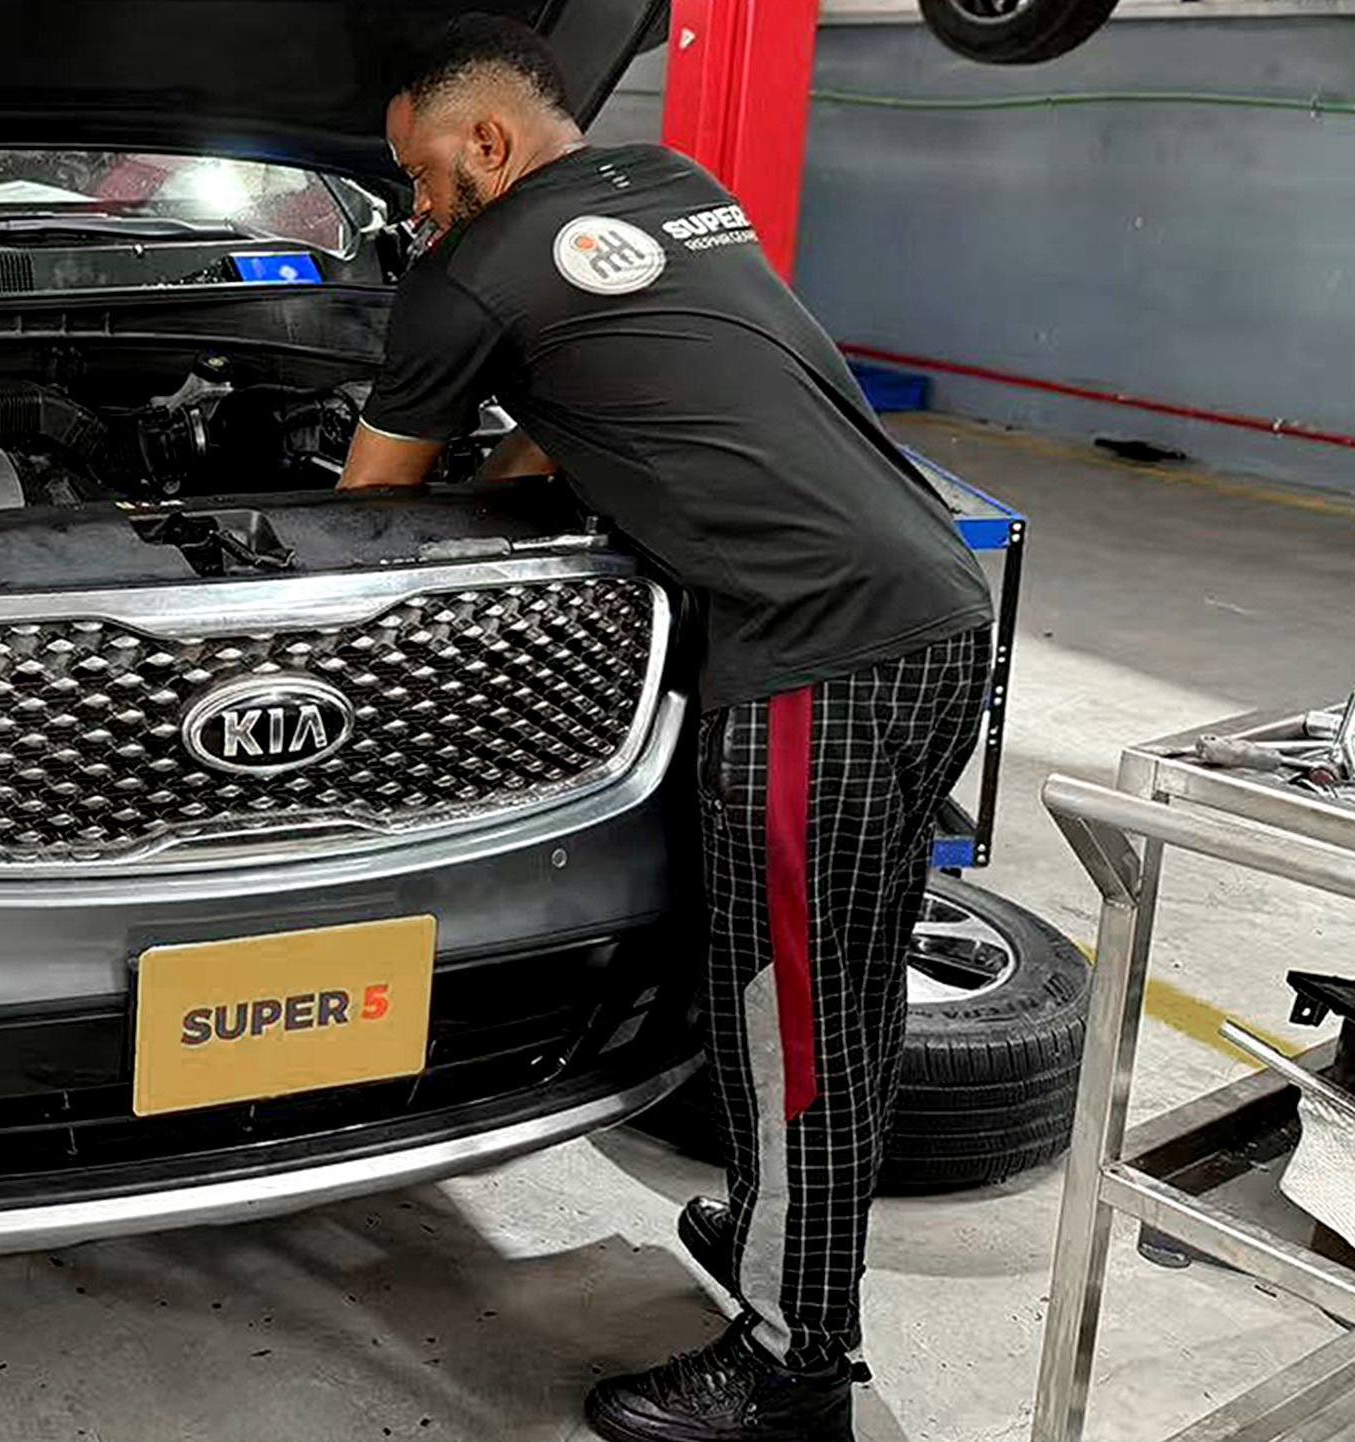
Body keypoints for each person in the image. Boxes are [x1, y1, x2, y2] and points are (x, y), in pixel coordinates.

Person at [341, 19, 995, 1442]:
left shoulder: (468, 271)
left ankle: (790, 1368)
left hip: (816, 656)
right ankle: (778, 1237)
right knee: (842, 991)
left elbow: (368, 499)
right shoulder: (673, 182)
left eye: (423, 173)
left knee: (792, 1019)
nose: (417, 206)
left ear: (487, 143)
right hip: (937, 611)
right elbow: (591, 393)